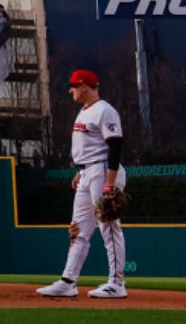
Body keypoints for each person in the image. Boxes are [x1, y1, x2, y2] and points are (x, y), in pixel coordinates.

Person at [38, 68, 129, 300]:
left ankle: (117, 283)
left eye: (74, 86)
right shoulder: (84, 111)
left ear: (85, 87)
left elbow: (115, 146)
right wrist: (81, 172)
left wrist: (109, 182)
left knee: (109, 227)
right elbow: (87, 147)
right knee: (77, 229)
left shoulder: (105, 111)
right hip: (88, 172)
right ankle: (68, 282)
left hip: (103, 170)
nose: (71, 91)